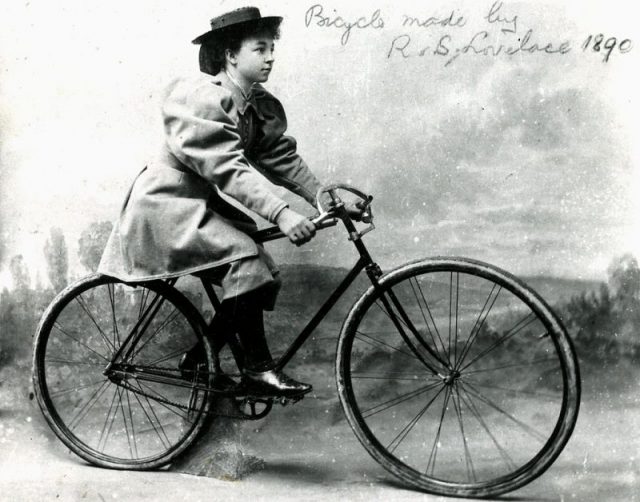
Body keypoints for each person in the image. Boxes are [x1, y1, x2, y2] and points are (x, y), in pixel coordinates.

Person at [98, 6, 361, 397]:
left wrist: (327, 197)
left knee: (260, 269)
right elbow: (227, 169)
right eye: (260, 48)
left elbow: (280, 158)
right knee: (247, 259)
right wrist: (281, 213)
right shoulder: (203, 99)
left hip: (195, 204)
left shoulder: (256, 104)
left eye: (272, 48)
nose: (271, 56)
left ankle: (209, 360)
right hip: (165, 205)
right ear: (231, 55)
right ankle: (246, 368)